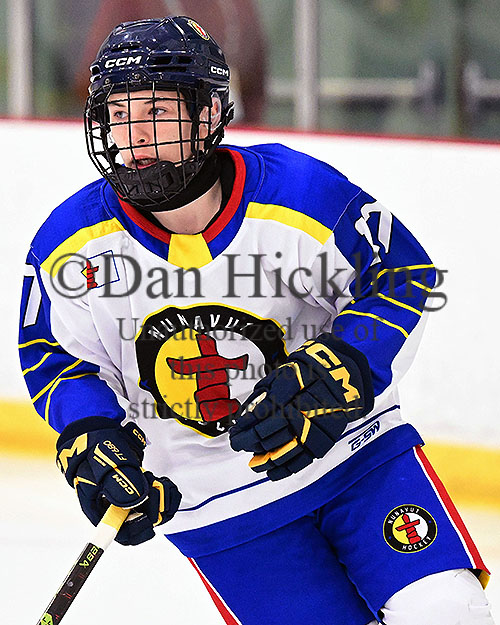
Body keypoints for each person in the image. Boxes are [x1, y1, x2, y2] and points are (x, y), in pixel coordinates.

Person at [19, 16, 494, 625]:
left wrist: (344, 366)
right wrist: (91, 435)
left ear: (209, 114)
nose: (134, 137)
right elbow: (56, 356)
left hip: (357, 460)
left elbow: (400, 277)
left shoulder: (301, 193)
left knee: (446, 610)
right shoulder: (70, 244)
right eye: (119, 114)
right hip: (219, 507)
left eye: (157, 112)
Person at [74, 0, 267, 125]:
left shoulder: (240, 6)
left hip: (232, 132)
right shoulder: (129, 4)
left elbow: (256, 80)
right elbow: (91, 80)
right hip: (159, 139)